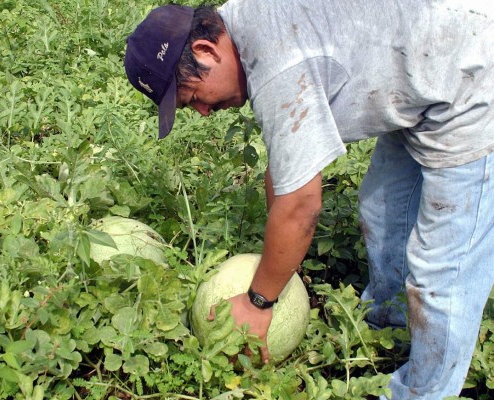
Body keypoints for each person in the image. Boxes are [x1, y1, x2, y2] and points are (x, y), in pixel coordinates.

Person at [123, 1, 494, 398]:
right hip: (427, 71)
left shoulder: (276, 62)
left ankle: (424, 391)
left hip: (471, 76)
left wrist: (258, 302)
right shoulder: (250, 27)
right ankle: (386, 329)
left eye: (191, 96)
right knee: (382, 211)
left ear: (206, 51)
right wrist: (280, 256)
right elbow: (286, 174)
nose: (202, 112)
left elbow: (301, 205)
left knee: (441, 271)